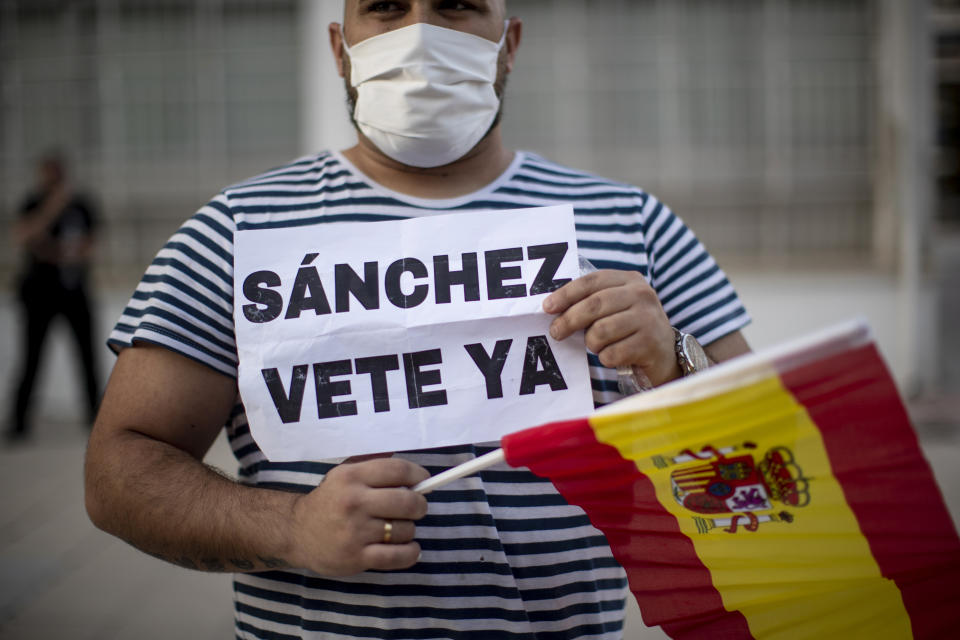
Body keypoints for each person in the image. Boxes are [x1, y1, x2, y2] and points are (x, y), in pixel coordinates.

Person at [85, 1, 752, 638]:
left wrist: (673, 361)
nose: (420, 33)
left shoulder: (630, 223)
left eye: (456, 5)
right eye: (384, 6)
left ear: (508, 43)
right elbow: (120, 469)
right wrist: (291, 527)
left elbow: (765, 460)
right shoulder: (237, 233)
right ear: (339, 50)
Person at [8, 151, 100, 441]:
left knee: (87, 356)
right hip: (39, 295)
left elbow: (88, 245)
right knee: (31, 357)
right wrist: (53, 209)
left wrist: (54, 251)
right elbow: (24, 236)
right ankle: (19, 421)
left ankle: (96, 419)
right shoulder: (33, 202)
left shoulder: (82, 204)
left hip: (75, 292)